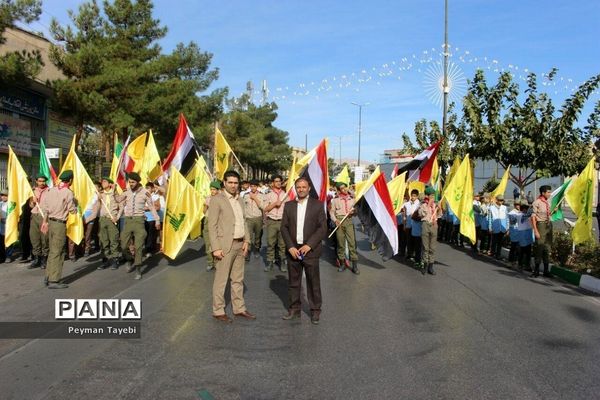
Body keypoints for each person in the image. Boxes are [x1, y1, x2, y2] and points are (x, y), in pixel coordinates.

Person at [207, 170, 255, 323]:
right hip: (224, 246)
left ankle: (239, 308)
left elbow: (243, 221)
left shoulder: (240, 200)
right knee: (221, 281)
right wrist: (215, 248)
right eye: (231, 182)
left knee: (237, 279)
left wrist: (247, 240)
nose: (234, 185)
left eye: (236, 183)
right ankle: (218, 310)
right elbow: (212, 226)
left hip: (240, 245)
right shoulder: (217, 199)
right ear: (225, 183)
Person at [280, 177, 328, 324]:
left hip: (310, 251)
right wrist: (290, 246)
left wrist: (310, 245)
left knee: (313, 281)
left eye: (303, 187)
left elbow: (322, 228)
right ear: (295, 189)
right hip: (293, 250)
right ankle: (294, 309)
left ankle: (315, 311)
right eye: (298, 187)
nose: (301, 189)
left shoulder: (318, 205)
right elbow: (284, 227)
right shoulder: (288, 205)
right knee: (294, 282)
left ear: (309, 188)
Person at [116, 172, 160, 280]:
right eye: (129, 182)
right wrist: (113, 192)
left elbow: (151, 207)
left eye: (132, 182)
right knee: (123, 245)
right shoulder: (126, 192)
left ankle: (138, 268)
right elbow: (118, 200)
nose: (130, 184)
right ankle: (130, 259)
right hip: (127, 221)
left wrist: (157, 220)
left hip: (139, 221)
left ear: (138, 182)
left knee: (138, 246)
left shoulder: (145, 193)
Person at [40, 170, 77, 289]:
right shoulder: (68, 192)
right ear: (70, 180)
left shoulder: (51, 190)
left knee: (52, 250)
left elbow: (45, 208)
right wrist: (77, 207)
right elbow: (72, 210)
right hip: (59, 224)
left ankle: (47, 276)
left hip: (50, 222)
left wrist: (45, 222)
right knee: (58, 251)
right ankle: (54, 280)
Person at [330, 182, 359, 274]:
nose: (345, 189)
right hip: (339, 222)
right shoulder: (335, 200)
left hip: (349, 221)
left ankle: (354, 266)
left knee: (352, 243)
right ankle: (342, 263)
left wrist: (353, 212)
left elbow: (356, 212)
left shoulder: (352, 199)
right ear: (339, 190)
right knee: (340, 244)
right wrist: (335, 220)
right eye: (342, 188)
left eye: (345, 187)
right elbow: (331, 212)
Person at [263, 174, 288, 272]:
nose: (278, 183)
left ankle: (282, 262)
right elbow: (265, 208)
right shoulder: (268, 195)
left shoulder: (286, 195)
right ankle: (270, 262)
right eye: (276, 181)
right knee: (270, 243)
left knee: (282, 244)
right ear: (272, 183)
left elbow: (289, 209)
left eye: (279, 181)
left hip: (282, 221)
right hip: (272, 221)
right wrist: (274, 204)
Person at [97, 177, 121, 270]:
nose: (102, 183)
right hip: (103, 219)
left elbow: (121, 207)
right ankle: (105, 260)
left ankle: (115, 259)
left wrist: (117, 217)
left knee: (113, 240)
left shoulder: (115, 194)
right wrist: (98, 199)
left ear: (110, 184)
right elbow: (98, 207)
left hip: (112, 219)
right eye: (102, 181)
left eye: (105, 181)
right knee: (103, 241)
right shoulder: (101, 194)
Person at [28, 175, 50, 269]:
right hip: (34, 216)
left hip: (44, 216)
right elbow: (31, 206)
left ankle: (44, 260)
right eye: (40, 181)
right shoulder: (33, 191)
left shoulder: (50, 191)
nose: (42, 183)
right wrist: (33, 202)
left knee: (44, 238)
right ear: (36, 181)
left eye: (44, 181)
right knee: (34, 238)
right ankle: (37, 259)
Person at [418, 187, 441, 275]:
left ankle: (431, 266)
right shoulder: (423, 204)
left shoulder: (435, 204)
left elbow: (439, 215)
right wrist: (428, 206)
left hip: (434, 225)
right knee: (425, 247)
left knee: (432, 247)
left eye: (433, 195)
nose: (432, 197)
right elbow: (421, 214)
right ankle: (425, 265)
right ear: (427, 196)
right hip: (425, 225)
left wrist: (439, 208)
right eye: (431, 195)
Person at [531, 185, 553, 278]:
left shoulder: (549, 202)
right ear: (543, 193)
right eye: (548, 192)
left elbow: (549, 213)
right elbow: (533, 217)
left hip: (549, 225)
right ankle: (536, 270)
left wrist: (553, 211)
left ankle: (546, 271)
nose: (550, 194)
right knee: (539, 248)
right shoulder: (537, 202)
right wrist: (535, 230)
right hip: (541, 225)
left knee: (547, 248)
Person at [243, 179, 264, 261]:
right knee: (248, 237)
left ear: (257, 187)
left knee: (258, 236)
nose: (253, 188)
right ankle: (247, 252)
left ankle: (257, 249)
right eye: (251, 186)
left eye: (254, 186)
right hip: (248, 218)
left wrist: (255, 198)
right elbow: (244, 207)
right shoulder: (246, 195)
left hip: (258, 218)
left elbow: (262, 206)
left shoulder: (261, 195)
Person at [203, 180, 221, 271]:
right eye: (211, 189)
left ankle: (217, 262)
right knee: (208, 243)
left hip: (218, 222)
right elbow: (204, 210)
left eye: (214, 189)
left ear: (218, 190)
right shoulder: (208, 198)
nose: (212, 191)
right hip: (207, 221)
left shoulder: (222, 199)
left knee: (217, 243)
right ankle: (210, 262)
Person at [401, 189, 420, 261]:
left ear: (417, 196)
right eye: (412, 196)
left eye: (415, 196)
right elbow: (404, 215)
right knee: (409, 240)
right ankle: (409, 254)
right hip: (409, 225)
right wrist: (404, 225)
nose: (413, 197)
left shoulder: (419, 204)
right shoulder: (407, 204)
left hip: (416, 226)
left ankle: (415, 254)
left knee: (415, 241)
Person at [489, 195, 509, 260]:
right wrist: (490, 227)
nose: (501, 202)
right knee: (494, 241)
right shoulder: (491, 208)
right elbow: (490, 218)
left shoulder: (504, 208)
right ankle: (493, 253)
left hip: (502, 228)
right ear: (497, 200)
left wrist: (507, 227)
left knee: (500, 242)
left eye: (502, 200)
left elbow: (507, 218)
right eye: (500, 200)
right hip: (495, 227)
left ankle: (498, 254)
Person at [517, 199, 534, 271]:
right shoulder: (520, 215)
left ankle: (527, 265)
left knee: (528, 252)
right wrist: (532, 209)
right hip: (522, 234)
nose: (527, 210)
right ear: (523, 209)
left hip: (528, 233)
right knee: (522, 250)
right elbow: (526, 216)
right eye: (526, 208)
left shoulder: (527, 215)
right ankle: (520, 264)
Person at [0, 192, 7, 263]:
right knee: (1, 242)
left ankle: (8, 256)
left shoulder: (10, 203)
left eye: (5, 195)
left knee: (8, 241)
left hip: (8, 224)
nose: (3, 197)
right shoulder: (0, 203)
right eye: (2, 195)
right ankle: (2, 256)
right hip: (1, 225)